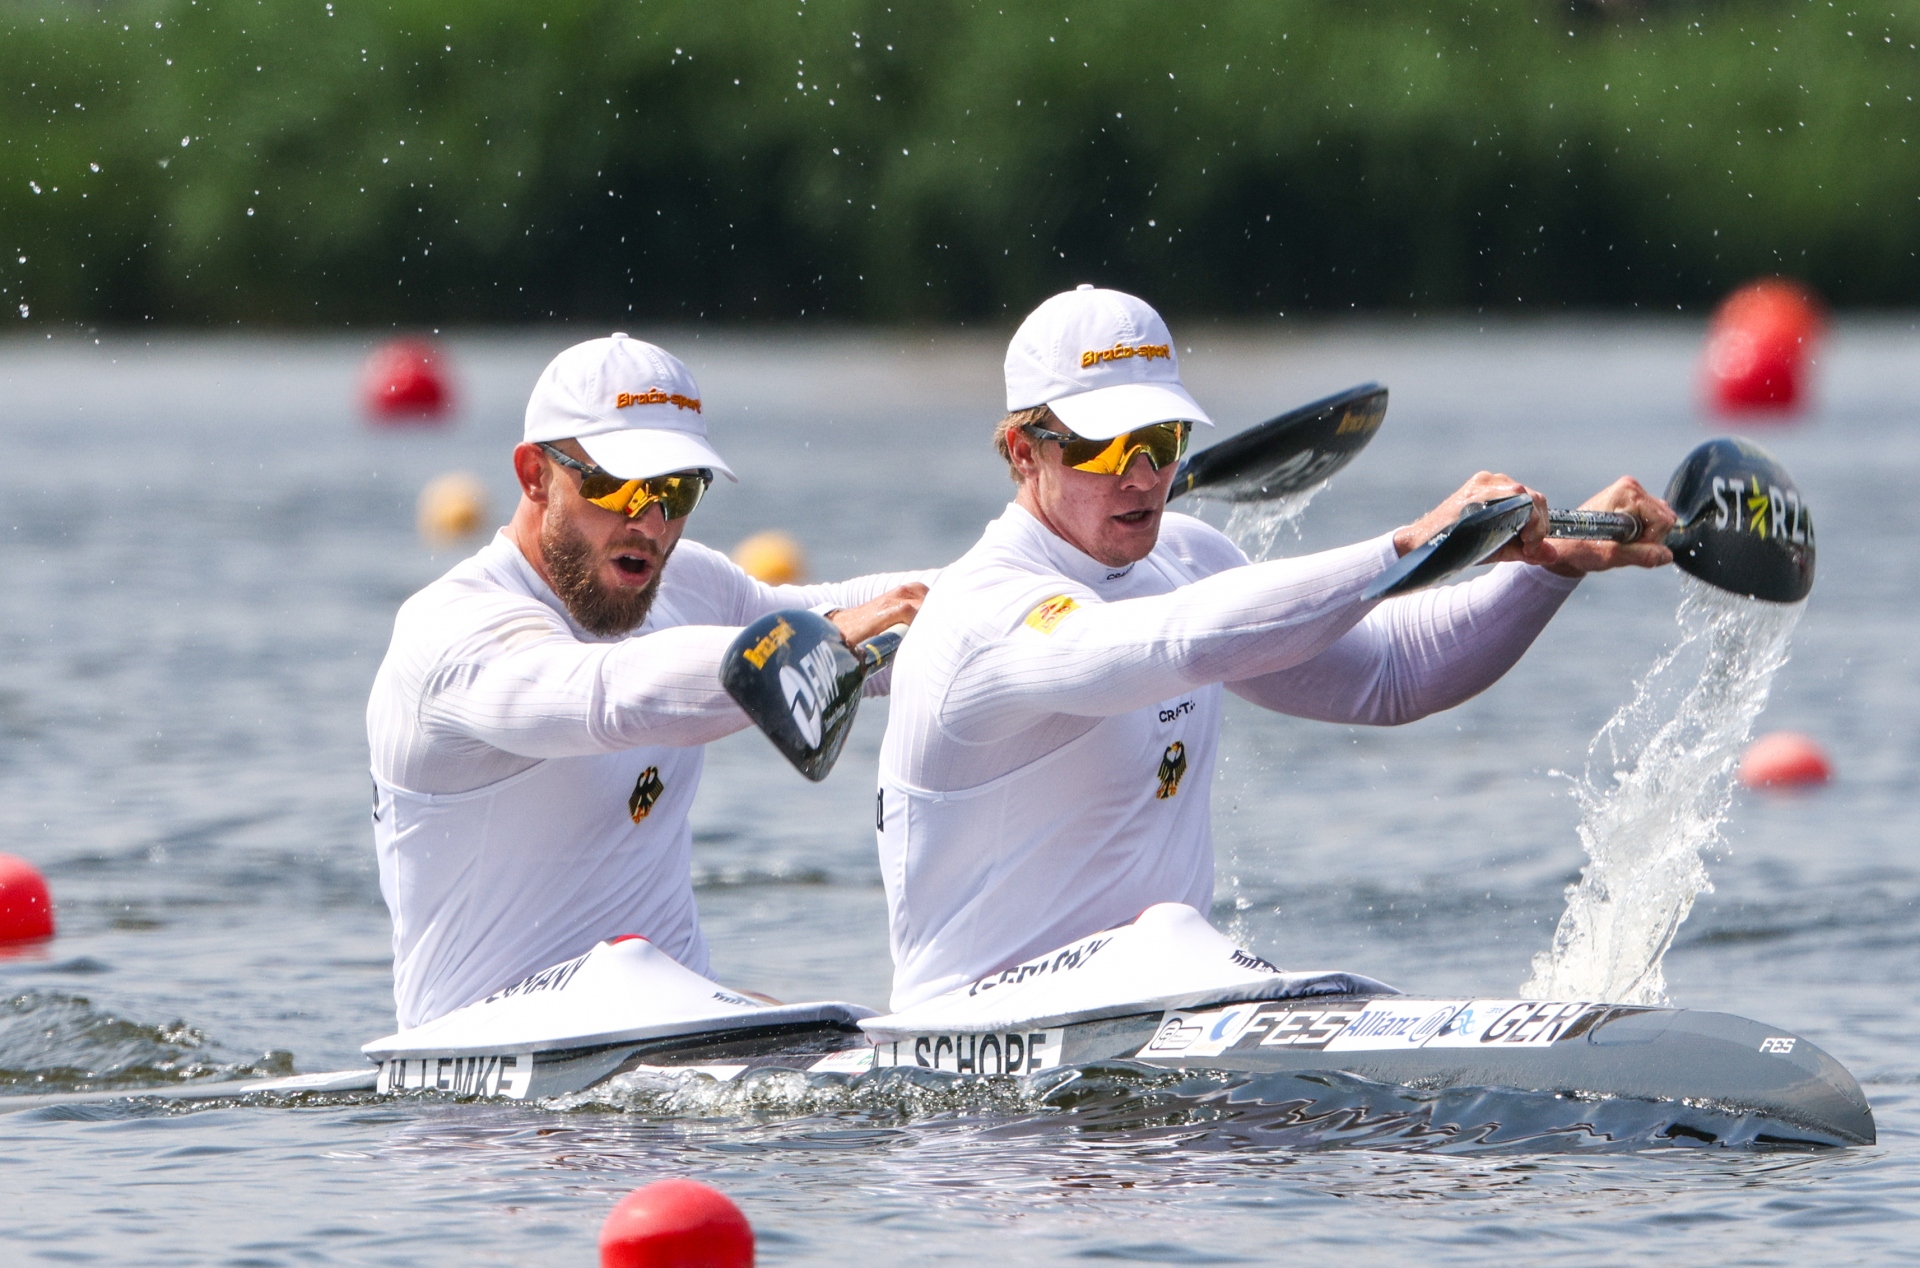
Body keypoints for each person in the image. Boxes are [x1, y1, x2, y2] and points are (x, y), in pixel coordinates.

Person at [875, 286, 1674, 1011]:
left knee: (1173, 938)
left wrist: (1551, 571)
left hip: (1154, 1039)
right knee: (1170, 936)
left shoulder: (1184, 559)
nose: (1145, 476)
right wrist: (1407, 545)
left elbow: (1392, 675)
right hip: (977, 1084)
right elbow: (1175, 641)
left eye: (1162, 437)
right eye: (1105, 447)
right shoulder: (983, 610)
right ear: (1024, 451)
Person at [369, 333, 926, 1029]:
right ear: (534, 473)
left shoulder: (691, 584)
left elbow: (871, 612)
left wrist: (1027, 602)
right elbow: (610, 697)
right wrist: (827, 636)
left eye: (677, 488)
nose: (651, 522)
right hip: (489, 1108)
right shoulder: (450, 633)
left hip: (680, 1057)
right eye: (617, 485)